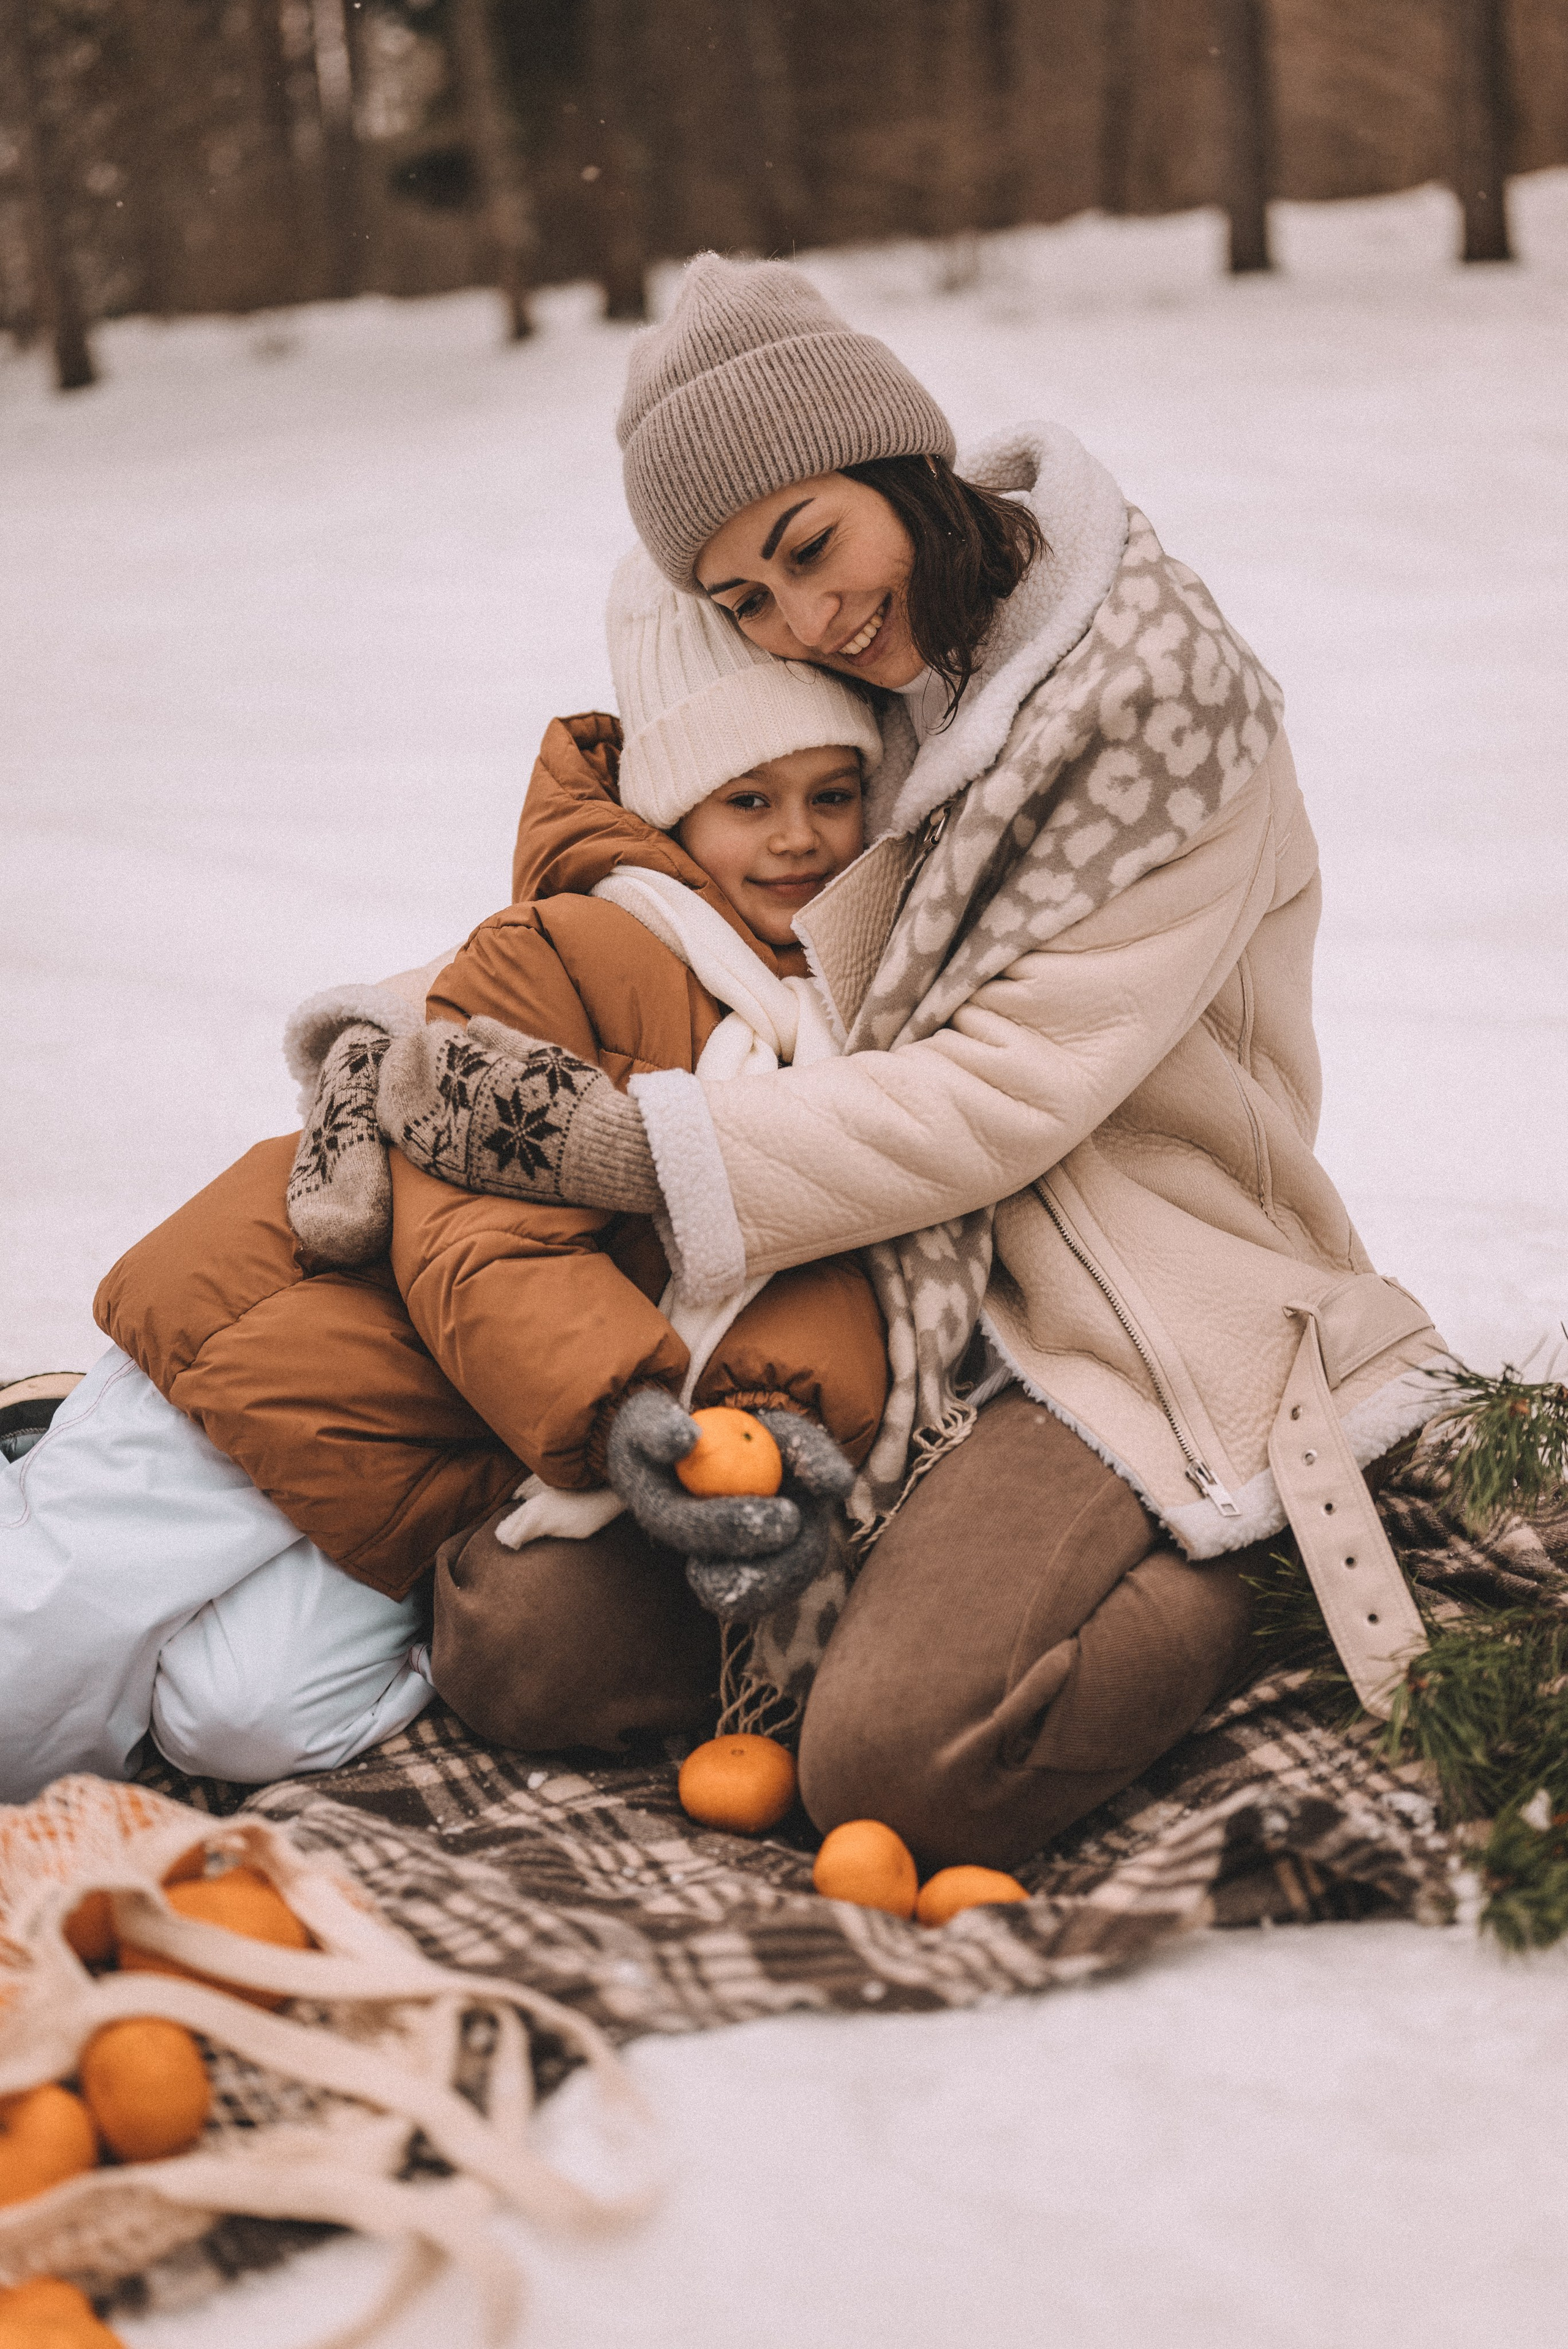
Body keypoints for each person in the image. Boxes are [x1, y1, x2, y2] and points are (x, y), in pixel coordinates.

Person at [373, 254, 1450, 1872]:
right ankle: (907, 1578)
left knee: (900, 1770)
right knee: (523, 1643)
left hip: (1125, 1304)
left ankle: (1258, 1556)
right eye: (745, 599)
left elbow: (997, 1095)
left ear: (895, 459)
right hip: (873, 1293)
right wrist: (402, 1039)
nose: (803, 616)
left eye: (809, 545)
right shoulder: (894, 674)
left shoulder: (1159, 712)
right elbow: (692, 891)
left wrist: (627, 1147)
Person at [0, 548, 888, 1801]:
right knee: (31, 1669)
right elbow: (479, 1226)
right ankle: (49, 1470)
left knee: (243, 1722)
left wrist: (777, 1412)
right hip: (289, 1350)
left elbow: (814, 1242)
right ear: (676, 809)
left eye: (832, 794)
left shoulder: (849, 1019)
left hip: (454, 1454)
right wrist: (620, 1408)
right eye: (749, 799)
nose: (798, 838)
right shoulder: (571, 944)